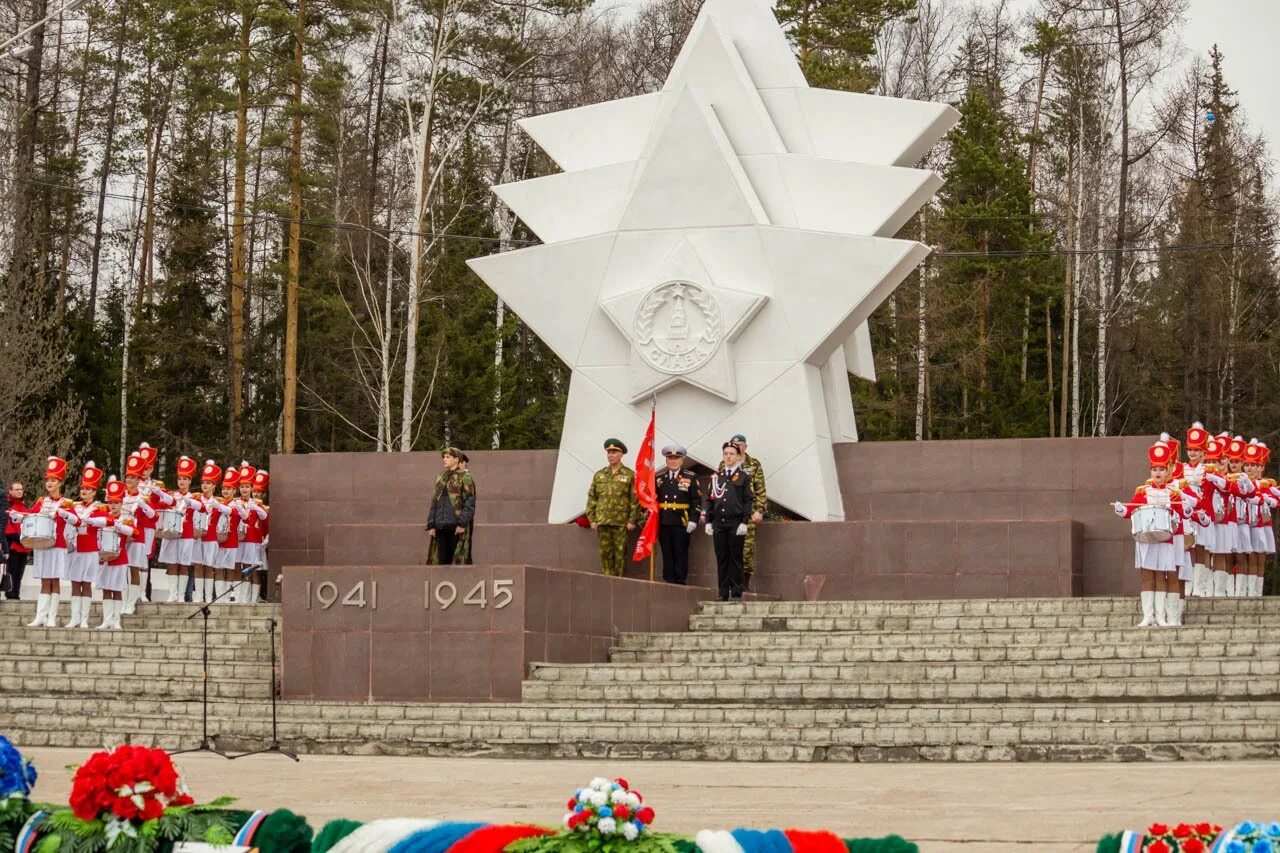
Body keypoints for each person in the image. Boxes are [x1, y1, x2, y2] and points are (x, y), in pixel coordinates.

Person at [1114, 441, 1203, 627]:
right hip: (1145, 539)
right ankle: (1148, 616)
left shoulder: (1174, 493)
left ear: (1169, 470)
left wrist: (1186, 508)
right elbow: (1132, 511)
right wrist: (1122, 510)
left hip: (1166, 540)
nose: (1158, 473)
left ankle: (1162, 616)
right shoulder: (1142, 491)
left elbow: (1184, 514)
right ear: (1150, 471)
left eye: (1162, 469)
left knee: (1162, 575)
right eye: (1155, 469)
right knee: (1147, 576)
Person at [11, 456, 79, 628]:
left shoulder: (66, 503)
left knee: (54, 581)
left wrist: (65, 514)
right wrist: (17, 517)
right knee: (44, 581)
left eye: (53, 480)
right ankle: (40, 615)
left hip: (57, 546)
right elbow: (30, 516)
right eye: (48, 480)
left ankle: (51, 617)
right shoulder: (42, 501)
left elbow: (77, 521)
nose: (49, 483)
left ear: (60, 483)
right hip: (41, 545)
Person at [703, 441, 754, 602]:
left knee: (735, 557)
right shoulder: (716, 477)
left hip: (735, 523)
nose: (728, 456)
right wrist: (708, 522)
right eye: (726, 453)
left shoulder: (744, 477)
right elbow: (710, 500)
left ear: (738, 456)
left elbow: (748, 500)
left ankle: (737, 591)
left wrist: (745, 522)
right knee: (722, 557)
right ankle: (723, 592)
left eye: (732, 453)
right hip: (719, 523)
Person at [586, 438, 640, 577]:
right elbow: (592, 497)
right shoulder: (599, 475)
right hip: (603, 521)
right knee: (605, 554)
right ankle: (607, 582)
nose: (611, 455)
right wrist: (592, 519)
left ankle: (619, 583)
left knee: (620, 555)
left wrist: (632, 520)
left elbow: (635, 500)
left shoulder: (629, 475)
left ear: (621, 455)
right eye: (609, 452)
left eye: (614, 452)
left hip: (621, 522)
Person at [67, 463, 110, 629]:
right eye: (82, 488)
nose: (84, 491)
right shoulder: (74, 506)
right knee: (75, 583)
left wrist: (92, 520)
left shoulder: (99, 507)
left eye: (88, 489)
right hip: (75, 549)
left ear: (94, 492)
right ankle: (74, 618)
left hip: (91, 549)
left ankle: (84, 619)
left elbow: (109, 521)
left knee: (86, 584)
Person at [655, 444, 701, 585]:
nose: (673, 461)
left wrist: (694, 520)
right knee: (667, 553)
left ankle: (680, 581)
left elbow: (696, 501)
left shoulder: (690, 477)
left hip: (682, 522)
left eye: (676, 458)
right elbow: (653, 499)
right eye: (670, 458)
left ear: (682, 461)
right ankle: (668, 580)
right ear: (666, 461)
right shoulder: (659, 478)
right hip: (664, 521)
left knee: (680, 553)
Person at [158, 456, 201, 602]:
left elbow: (202, 510)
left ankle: (181, 595)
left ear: (190, 481)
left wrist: (191, 503)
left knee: (183, 564)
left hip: (186, 533)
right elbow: (161, 506)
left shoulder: (194, 497)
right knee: (171, 562)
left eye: (185, 479)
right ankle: (172, 594)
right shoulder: (172, 495)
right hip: (171, 533)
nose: (181, 481)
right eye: (179, 479)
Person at [726, 434, 767, 589]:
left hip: (748, 513)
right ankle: (730, 585)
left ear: (745, 447)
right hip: (729, 514)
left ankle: (743, 584)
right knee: (729, 550)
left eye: (740, 444)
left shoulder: (754, 464)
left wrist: (760, 510)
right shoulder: (724, 465)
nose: (737, 446)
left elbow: (761, 489)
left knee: (746, 550)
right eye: (734, 444)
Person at [97, 477, 137, 630]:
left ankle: (116, 620)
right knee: (106, 588)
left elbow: (137, 535)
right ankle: (107, 620)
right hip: (104, 558)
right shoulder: (102, 518)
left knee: (117, 589)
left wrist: (120, 527)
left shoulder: (126, 520)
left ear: (122, 503)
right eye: (110, 502)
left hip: (120, 559)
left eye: (116, 503)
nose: (113, 506)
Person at [426, 448, 476, 566]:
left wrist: (462, 523)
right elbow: (435, 501)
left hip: (456, 526)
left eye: (448, 457)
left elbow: (470, 501)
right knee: (441, 562)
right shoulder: (441, 477)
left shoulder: (465, 477)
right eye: (444, 457)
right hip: (440, 526)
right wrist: (431, 524)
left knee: (458, 562)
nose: (444, 459)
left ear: (456, 459)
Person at [236, 461, 269, 603]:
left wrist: (256, 508)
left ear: (251, 488)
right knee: (241, 568)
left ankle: (253, 598)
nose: (244, 489)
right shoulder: (235, 502)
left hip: (253, 540)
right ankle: (243, 597)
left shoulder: (257, 504)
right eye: (242, 487)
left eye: (247, 487)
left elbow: (265, 518)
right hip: (240, 540)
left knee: (253, 569)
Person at [4, 482, 29, 600]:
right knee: (12, 571)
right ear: (10, 491)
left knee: (19, 573)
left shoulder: (24, 507)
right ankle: (10, 594)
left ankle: (16, 594)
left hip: (24, 546)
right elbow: (7, 527)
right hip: (13, 545)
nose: (20, 491)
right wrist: (20, 538)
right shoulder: (7, 506)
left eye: (21, 489)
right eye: (17, 489)